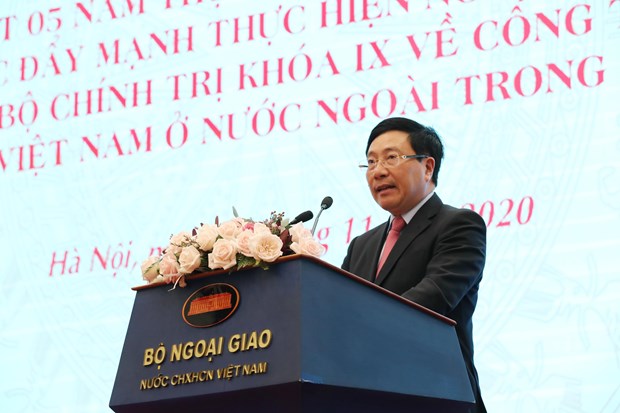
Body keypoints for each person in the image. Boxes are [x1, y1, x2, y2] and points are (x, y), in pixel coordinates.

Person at [342, 117, 487, 413]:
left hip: (435, 395)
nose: (378, 171)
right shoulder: (361, 245)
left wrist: (357, 326)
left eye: (391, 158)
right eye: (370, 163)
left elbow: (432, 299)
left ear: (428, 167)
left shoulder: (458, 225)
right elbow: (339, 312)